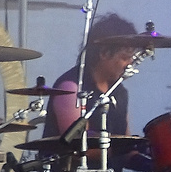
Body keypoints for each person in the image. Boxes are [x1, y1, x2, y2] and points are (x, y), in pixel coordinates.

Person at [45, 12, 141, 141]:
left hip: (113, 160)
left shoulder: (119, 91)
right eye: (124, 58)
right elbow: (78, 146)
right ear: (104, 53)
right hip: (77, 161)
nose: (130, 64)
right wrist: (124, 147)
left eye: (131, 58)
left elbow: (125, 140)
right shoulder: (71, 87)